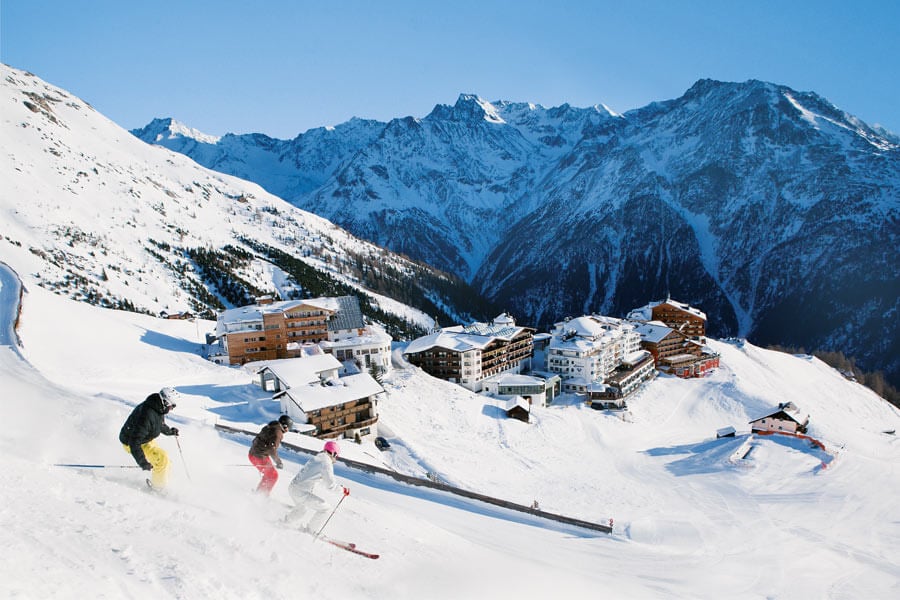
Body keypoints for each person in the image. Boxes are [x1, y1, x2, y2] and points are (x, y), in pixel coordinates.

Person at [285, 440, 350, 535]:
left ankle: (285, 522)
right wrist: (343, 490)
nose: (336, 460)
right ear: (333, 453)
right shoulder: (326, 462)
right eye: (337, 456)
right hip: (301, 492)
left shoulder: (317, 457)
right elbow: (330, 486)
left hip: (293, 487)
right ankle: (310, 530)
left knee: (302, 509)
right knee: (325, 509)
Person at [119, 389, 179, 491]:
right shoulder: (146, 415)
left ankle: (163, 483)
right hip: (131, 442)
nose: (172, 409)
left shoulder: (158, 408)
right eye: (171, 406)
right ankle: (157, 488)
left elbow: (158, 424)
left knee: (166, 460)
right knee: (162, 459)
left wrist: (170, 431)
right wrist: (143, 462)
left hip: (144, 440)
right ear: (165, 402)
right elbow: (134, 442)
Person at [249, 414, 292, 495]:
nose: (287, 431)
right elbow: (272, 450)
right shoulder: (278, 433)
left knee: (269, 474)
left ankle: (260, 492)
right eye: (288, 428)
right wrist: (278, 462)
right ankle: (261, 495)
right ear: (285, 426)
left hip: (255, 453)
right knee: (273, 476)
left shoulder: (271, 426)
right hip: (258, 456)